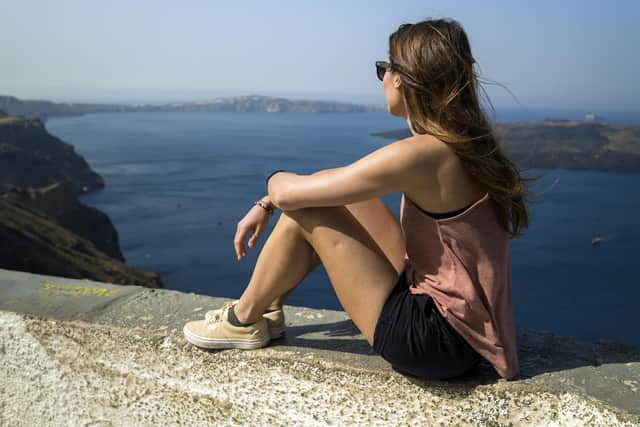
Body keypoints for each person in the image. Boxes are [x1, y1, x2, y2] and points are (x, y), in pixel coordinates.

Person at [183, 17, 537, 381]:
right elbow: (335, 183)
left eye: (383, 68)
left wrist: (273, 183)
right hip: (464, 327)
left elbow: (289, 193)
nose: (382, 78)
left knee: (306, 211)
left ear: (401, 78)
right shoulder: (461, 143)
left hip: (436, 340)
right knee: (340, 200)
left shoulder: (420, 155)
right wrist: (268, 202)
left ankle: (243, 319)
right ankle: (268, 309)